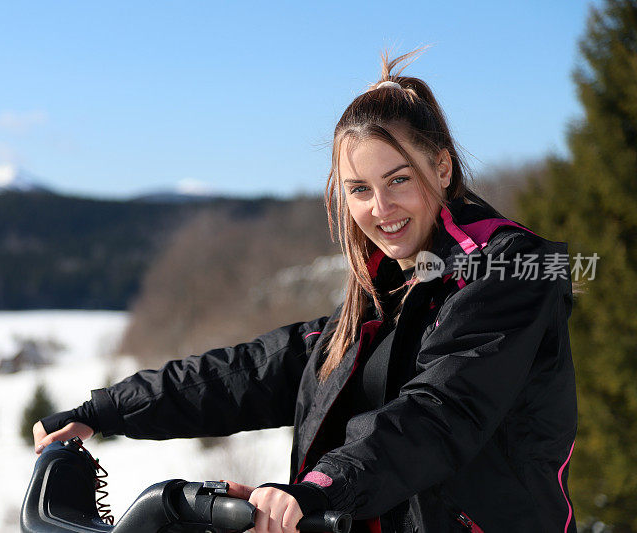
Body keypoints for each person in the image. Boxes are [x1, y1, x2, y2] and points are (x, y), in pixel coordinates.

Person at [33, 50, 577, 533]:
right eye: (359, 190)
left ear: (441, 164)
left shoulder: (512, 269)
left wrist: (319, 487)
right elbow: (254, 371)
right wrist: (105, 411)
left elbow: (439, 410)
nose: (380, 210)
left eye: (399, 180)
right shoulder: (390, 285)